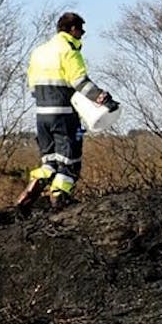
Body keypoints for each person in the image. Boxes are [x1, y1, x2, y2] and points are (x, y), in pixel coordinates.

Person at [16, 12, 114, 212]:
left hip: (42, 115)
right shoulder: (68, 50)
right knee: (69, 164)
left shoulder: (39, 51)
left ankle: (35, 184)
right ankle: (59, 201)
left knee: (50, 162)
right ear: (72, 29)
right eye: (81, 30)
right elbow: (80, 82)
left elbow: (32, 86)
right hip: (64, 114)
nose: (82, 34)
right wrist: (102, 97)